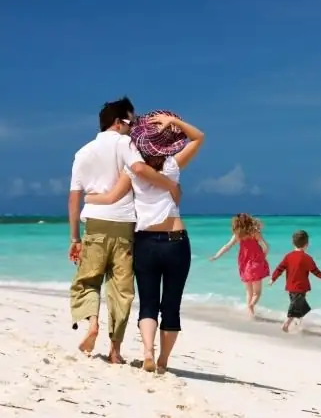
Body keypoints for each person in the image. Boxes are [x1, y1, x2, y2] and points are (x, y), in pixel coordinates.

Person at [85, 110, 204, 373]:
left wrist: (88, 198)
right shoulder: (172, 165)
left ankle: (147, 352)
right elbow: (199, 138)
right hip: (176, 241)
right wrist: (173, 122)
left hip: (146, 242)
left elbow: (110, 198)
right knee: (171, 305)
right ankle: (162, 362)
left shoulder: (134, 170)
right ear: (168, 143)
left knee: (149, 303)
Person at [68, 97, 181, 364]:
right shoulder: (126, 144)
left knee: (88, 280)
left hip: (94, 222)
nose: (134, 128)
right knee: (121, 289)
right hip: (124, 225)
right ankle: (115, 350)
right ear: (118, 123)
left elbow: (74, 197)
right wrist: (169, 184)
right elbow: (139, 169)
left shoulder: (83, 152)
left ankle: (92, 323)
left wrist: (74, 237)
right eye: (131, 121)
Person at [269, 230, 321, 332]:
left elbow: (280, 268)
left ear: (293, 243)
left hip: (291, 287)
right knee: (295, 306)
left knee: (301, 307)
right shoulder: (307, 258)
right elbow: (315, 271)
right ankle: (286, 324)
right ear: (307, 245)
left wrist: (273, 278)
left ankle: (298, 325)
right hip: (301, 288)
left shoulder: (288, 256)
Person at [209, 213, 270, 318]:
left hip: (244, 263)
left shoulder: (238, 235)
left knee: (249, 291)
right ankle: (251, 305)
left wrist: (216, 256)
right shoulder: (255, 232)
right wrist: (264, 256)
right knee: (257, 293)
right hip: (256, 263)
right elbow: (265, 247)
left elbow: (227, 246)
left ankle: (250, 313)